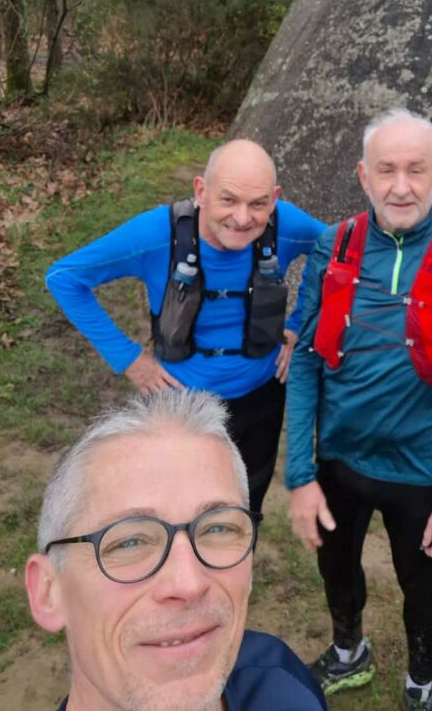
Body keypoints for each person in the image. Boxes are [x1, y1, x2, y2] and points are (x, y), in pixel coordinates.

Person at [286, 109, 432, 711]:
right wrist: (300, 474)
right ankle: (349, 652)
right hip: (339, 462)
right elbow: (305, 360)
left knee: (419, 585)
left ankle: (419, 685)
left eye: (416, 170)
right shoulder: (334, 246)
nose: (400, 187)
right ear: (364, 175)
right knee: (336, 569)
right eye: (386, 170)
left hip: (419, 473)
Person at [46, 139, 325, 513]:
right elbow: (64, 278)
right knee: (175, 509)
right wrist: (128, 358)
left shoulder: (286, 226)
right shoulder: (156, 235)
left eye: (258, 204)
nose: (242, 218)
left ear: (274, 199)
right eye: (228, 200)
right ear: (201, 191)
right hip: (180, 405)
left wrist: (300, 325)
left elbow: (337, 251)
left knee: (245, 506)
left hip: (261, 399)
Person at [25, 388, 328, 711]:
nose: (190, 584)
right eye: (129, 542)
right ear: (48, 592)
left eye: (217, 528)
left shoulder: (284, 683)